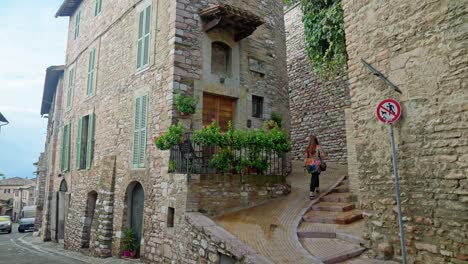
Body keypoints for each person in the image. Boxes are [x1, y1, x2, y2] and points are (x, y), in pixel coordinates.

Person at [304, 135, 326, 199]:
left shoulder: (307, 148)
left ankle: (317, 188)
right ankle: (311, 192)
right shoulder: (318, 147)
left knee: (315, 175)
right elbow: (323, 155)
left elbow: (305, 158)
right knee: (314, 176)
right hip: (317, 164)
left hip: (309, 164)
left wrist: (305, 166)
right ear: (315, 140)